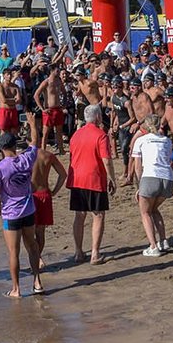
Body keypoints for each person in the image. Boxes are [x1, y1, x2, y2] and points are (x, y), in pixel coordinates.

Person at [0, 132, 43, 297]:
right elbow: (35, 143)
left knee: (13, 252)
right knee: (32, 246)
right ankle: (37, 281)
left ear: (2, 148)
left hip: (11, 214)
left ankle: (16, 289)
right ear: (14, 145)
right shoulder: (26, 159)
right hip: (28, 211)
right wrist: (32, 124)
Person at [67, 105, 115, 265]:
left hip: (77, 178)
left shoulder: (76, 135)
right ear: (98, 118)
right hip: (93, 178)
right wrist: (112, 178)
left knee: (79, 215)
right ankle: (94, 253)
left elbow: (72, 156)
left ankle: (78, 251)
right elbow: (106, 159)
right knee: (98, 214)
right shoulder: (101, 135)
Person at [131, 114, 173, 256]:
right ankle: (163, 240)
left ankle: (153, 246)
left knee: (145, 212)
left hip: (150, 176)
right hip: (167, 178)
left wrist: (139, 186)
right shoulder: (167, 141)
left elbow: (137, 167)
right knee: (154, 209)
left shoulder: (141, 140)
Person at [28, 136, 68, 270]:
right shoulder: (48, 155)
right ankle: (38, 257)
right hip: (44, 194)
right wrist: (55, 191)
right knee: (41, 231)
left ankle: (36, 259)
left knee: (29, 231)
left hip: (30, 196)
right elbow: (63, 174)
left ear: (28, 141)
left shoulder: (25, 157)